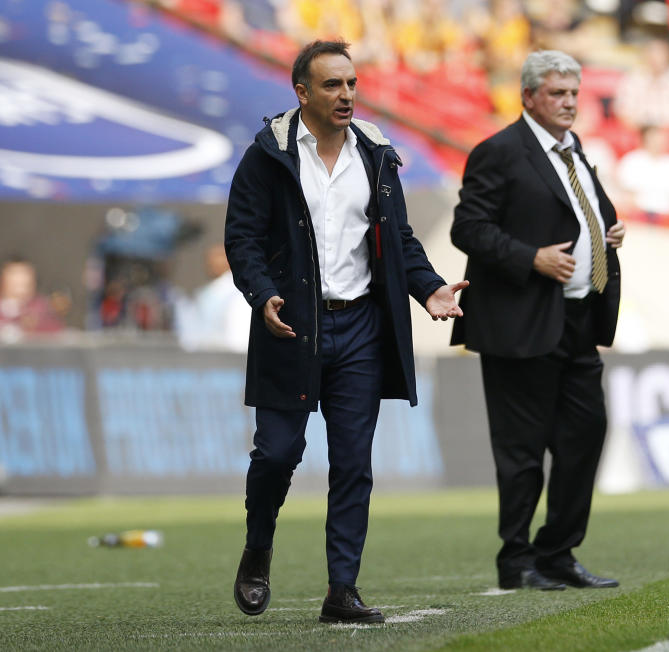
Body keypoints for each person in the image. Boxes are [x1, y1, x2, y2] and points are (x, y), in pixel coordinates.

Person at [224, 39, 467, 624]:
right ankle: (258, 550)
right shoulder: (268, 153)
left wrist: (428, 287)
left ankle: (342, 590)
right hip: (292, 328)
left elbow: (399, 239)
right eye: (332, 86)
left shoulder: (377, 154)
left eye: (351, 84)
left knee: (354, 460)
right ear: (302, 92)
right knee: (278, 453)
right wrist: (263, 296)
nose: (346, 96)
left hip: (361, 326)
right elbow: (242, 239)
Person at [450, 50, 625, 591]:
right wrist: (531, 257)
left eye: (574, 93)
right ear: (528, 96)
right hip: (520, 321)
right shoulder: (499, 152)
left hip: (577, 321)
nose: (569, 103)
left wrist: (606, 235)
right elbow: (468, 229)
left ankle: (558, 553)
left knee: (585, 436)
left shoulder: (575, 153)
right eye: (557, 93)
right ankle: (517, 561)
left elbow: (585, 214)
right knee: (522, 451)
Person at [175, 243, 250, 352]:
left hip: (229, 358)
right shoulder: (205, 292)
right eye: (209, 258)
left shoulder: (238, 293)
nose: (212, 262)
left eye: (219, 257)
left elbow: (238, 340)